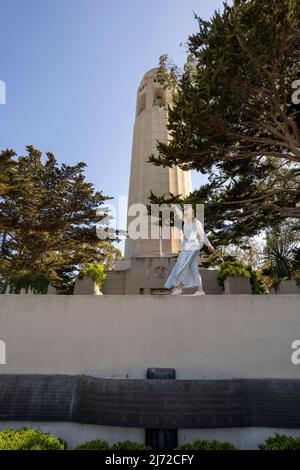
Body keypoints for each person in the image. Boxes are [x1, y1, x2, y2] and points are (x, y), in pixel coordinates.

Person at [164, 204, 215, 295]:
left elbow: (202, 234)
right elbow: (179, 214)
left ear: (191, 212)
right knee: (185, 267)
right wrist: (175, 207)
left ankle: (179, 286)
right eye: (184, 211)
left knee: (184, 266)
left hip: (193, 247)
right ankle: (199, 290)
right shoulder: (185, 221)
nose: (185, 212)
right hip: (185, 247)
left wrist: (209, 244)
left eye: (186, 210)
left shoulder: (196, 222)